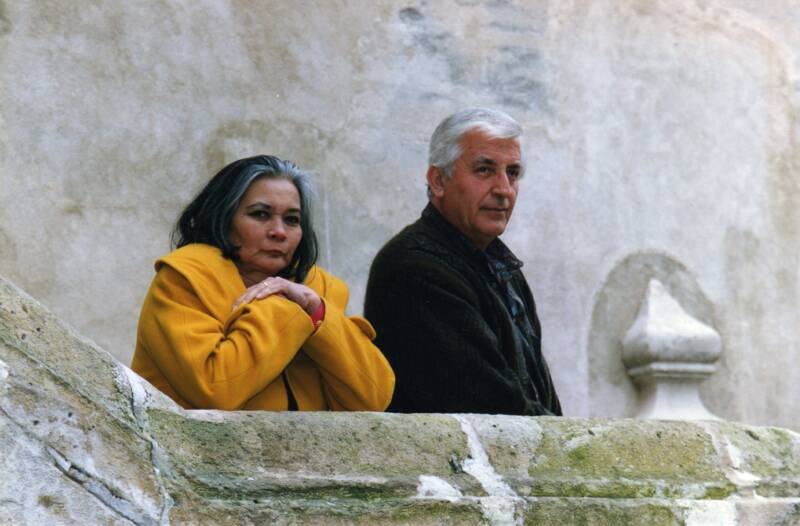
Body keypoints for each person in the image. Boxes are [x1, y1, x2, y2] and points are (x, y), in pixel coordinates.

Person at [131, 155, 395, 411]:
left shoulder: (319, 290)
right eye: (260, 214)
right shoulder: (184, 279)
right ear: (223, 219)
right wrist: (284, 306)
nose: (279, 232)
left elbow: (373, 398)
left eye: (292, 219)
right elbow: (216, 389)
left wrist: (316, 312)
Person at [364, 108, 561, 415]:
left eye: (512, 173)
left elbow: (536, 390)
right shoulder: (413, 268)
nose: (504, 190)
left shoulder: (501, 266)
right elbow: (491, 404)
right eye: (485, 170)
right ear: (438, 180)